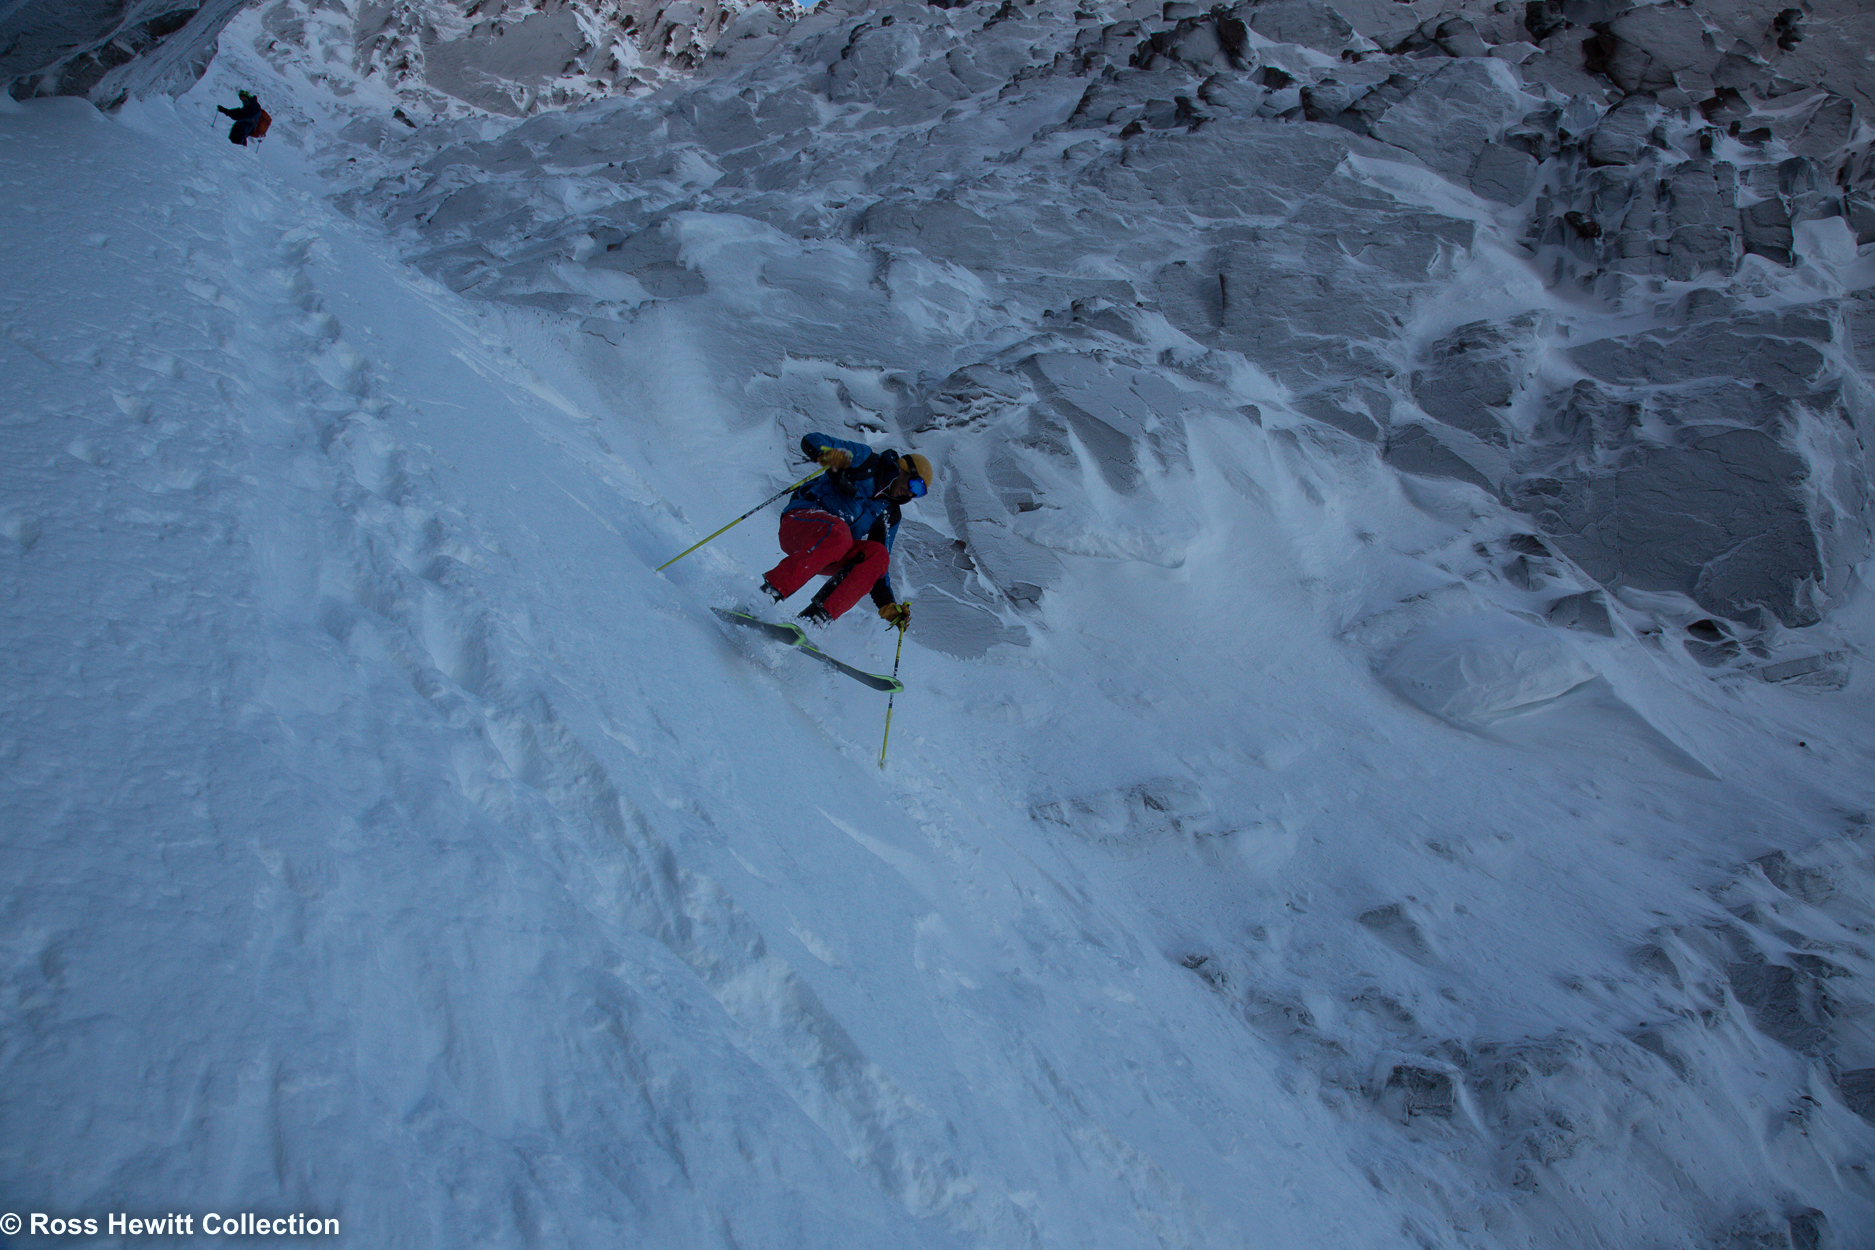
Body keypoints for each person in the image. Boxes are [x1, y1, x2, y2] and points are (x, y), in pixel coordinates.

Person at [761, 433, 931, 628]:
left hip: (827, 553)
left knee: (878, 555)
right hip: (799, 526)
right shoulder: (867, 462)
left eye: (919, 493)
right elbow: (812, 440)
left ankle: (813, 621)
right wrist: (828, 455)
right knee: (840, 533)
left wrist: (888, 605)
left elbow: (878, 569)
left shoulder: (889, 512)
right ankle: (767, 594)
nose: (911, 493)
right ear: (903, 469)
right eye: (915, 485)